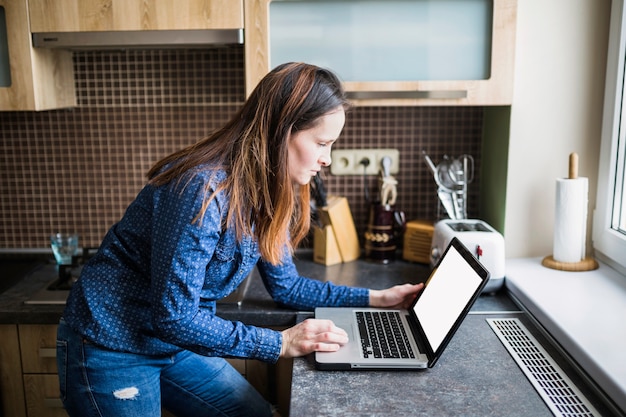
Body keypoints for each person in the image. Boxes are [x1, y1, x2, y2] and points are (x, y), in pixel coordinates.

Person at [56, 62, 424, 417]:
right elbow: (175, 316)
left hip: (173, 344)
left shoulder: (270, 191)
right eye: (322, 143)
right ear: (282, 131)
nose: (327, 159)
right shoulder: (202, 190)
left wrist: (378, 298)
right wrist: (280, 342)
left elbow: (287, 287)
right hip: (111, 344)